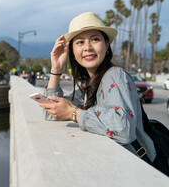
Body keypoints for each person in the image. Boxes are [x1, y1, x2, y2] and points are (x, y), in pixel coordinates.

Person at [39, 12, 156, 164]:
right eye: (80, 42)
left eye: (95, 39)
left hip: (137, 168)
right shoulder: (89, 85)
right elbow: (52, 112)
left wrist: (73, 113)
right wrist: (56, 68)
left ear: (106, 45)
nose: (88, 47)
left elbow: (123, 130)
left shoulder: (115, 75)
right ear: (73, 52)